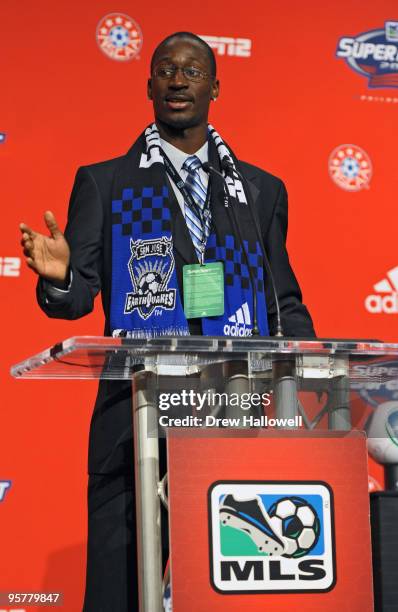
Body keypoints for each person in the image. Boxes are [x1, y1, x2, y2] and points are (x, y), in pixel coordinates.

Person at [20, 31, 315, 611]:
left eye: (193, 71)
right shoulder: (107, 182)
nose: (178, 80)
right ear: (149, 84)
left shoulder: (259, 191)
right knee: (121, 583)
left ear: (215, 87)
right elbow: (78, 299)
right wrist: (59, 276)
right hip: (139, 415)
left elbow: (283, 300)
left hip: (235, 406)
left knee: (236, 574)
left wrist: (313, 372)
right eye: (166, 70)